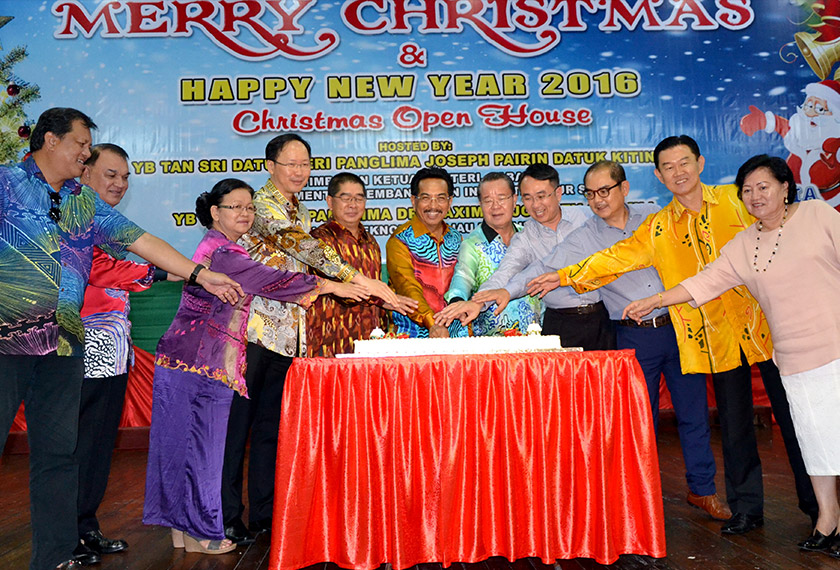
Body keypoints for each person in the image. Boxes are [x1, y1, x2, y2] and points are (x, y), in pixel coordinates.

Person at [528, 136, 819, 535]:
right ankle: (747, 509)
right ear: (658, 176)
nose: (678, 172)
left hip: (770, 328)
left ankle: (820, 511)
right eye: (668, 167)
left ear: (700, 163)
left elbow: (780, 232)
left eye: (684, 163)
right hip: (715, 338)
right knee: (734, 428)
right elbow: (615, 257)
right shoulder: (659, 226)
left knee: (797, 420)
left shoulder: (737, 200)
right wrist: (564, 276)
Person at [0, 107, 242, 570]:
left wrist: (200, 273)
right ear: (50, 140)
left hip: (65, 344)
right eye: (81, 144)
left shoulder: (83, 202)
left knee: (58, 455)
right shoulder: (6, 183)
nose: (85, 153)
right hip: (6, 339)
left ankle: (55, 558)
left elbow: (141, 240)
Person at [623, 155, 840, 554]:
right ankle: (828, 521)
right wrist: (656, 299)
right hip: (791, 356)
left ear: (785, 187)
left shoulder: (818, 216)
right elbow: (705, 281)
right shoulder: (744, 243)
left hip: (835, 349)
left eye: (763, 187)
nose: (755, 196)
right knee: (813, 440)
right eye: (747, 190)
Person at [143, 178, 365, 554]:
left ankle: (185, 531)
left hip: (198, 358)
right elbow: (271, 279)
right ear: (215, 212)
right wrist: (333, 286)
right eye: (236, 207)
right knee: (202, 448)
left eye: (250, 207)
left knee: (189, 446)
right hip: (199, 360)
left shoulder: (225, 247)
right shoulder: (223, 253)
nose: (245, 214)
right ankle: (201, 531)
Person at [516, 161, 726, 520]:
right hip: (632, 336)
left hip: (678, 327)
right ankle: (643, 501)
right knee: (639, 422)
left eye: (604, 191)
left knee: (694, 414)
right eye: (590, 193)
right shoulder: (585, 237)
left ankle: (703, 490)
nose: (598, 200)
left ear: (624, 189)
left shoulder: (654, 217)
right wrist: (503, 292)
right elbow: (544, 269)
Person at [222, 134, 405, 544]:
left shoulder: (301, 209)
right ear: (270, 166)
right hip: (252, 329)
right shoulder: (261, 206)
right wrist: (359, 280)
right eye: (291, 164)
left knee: (271, 428)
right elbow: (303, 248)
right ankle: (227, 516)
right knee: (237, 429)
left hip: (290, 334)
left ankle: (265, 515)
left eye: (305, 164)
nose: (299, 171)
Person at [73, 144, 173, 563]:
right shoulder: (75, 216)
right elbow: (96, 267)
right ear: (84, 174)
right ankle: (67, 533)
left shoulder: (110, 225)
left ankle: (86, 526)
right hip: (80, 344)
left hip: (112, 347)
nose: (120, 184)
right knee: (77, 442)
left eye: (126, 177)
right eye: (111, 174)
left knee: (99, 443)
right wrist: (161, 270)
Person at [451, 163, 614, 351]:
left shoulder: (586, 218)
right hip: (559, 324)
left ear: (558, 193)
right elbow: (505, 273)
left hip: (602, 318)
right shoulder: (525, 238)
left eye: (541, 196)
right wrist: (478, 303)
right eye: (528, 198)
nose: (536, 205)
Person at [306, 172, 413, 356]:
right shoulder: (319, 240)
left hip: (370, 342)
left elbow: (377, 285)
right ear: (330, 202)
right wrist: (384, 299)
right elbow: (343, 289)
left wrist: (390, 303)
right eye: (345, 198)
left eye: (358, 198)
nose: (352, 205)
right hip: (331, 339)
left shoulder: (371, 242)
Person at [437, 172, 542, 335]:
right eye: (488, 201)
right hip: (492, 343)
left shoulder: (530, 237)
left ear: (514, 200)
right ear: (480, 204)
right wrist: (457, 301)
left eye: (501, 198)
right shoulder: (472, 244)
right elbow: (463, 277)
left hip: (537, 338)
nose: (495, 206)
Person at [386, 166, 462, 338]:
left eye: (440, 198)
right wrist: (432, 323)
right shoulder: (400, 240)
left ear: (450, 201)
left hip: (455, 335)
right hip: (412, 335)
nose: (433, 206)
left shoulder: (457, 239)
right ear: (414, 201)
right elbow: (408, 288)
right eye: (426, 198)